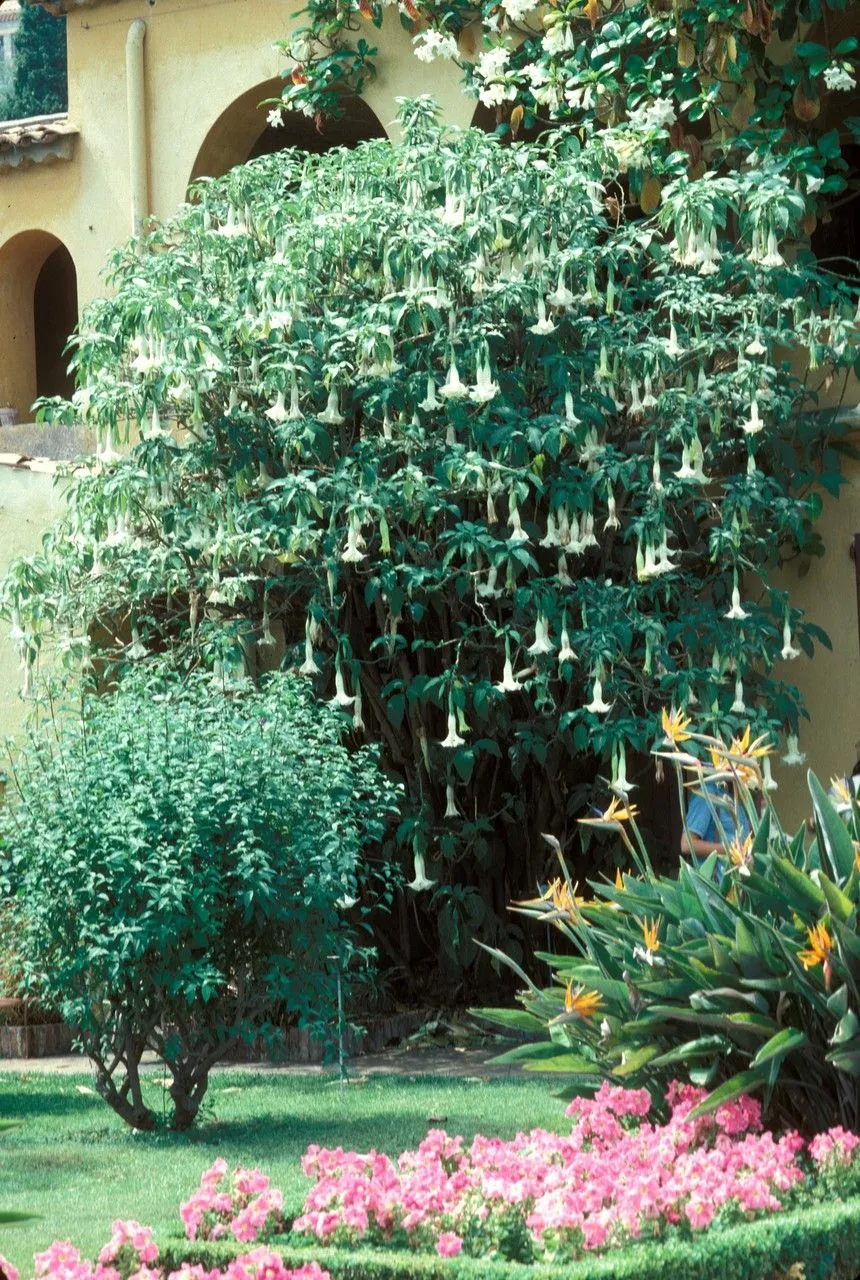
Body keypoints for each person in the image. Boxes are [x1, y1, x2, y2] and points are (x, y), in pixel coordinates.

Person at [680, 777, 752, 882]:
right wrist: (731, 851)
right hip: (716, 886)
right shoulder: (708, 793)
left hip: (739, 884)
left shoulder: (738, 795)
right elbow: (686, 844)